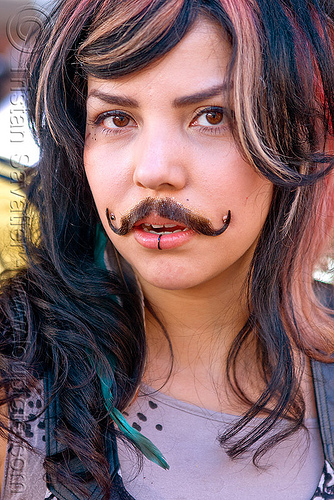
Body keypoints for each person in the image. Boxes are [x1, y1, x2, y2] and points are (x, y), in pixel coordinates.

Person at [0, 0, 333, 499]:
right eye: (115, 118)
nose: (154, 170)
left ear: (296, 134)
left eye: (211, 115)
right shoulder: (17, 384)